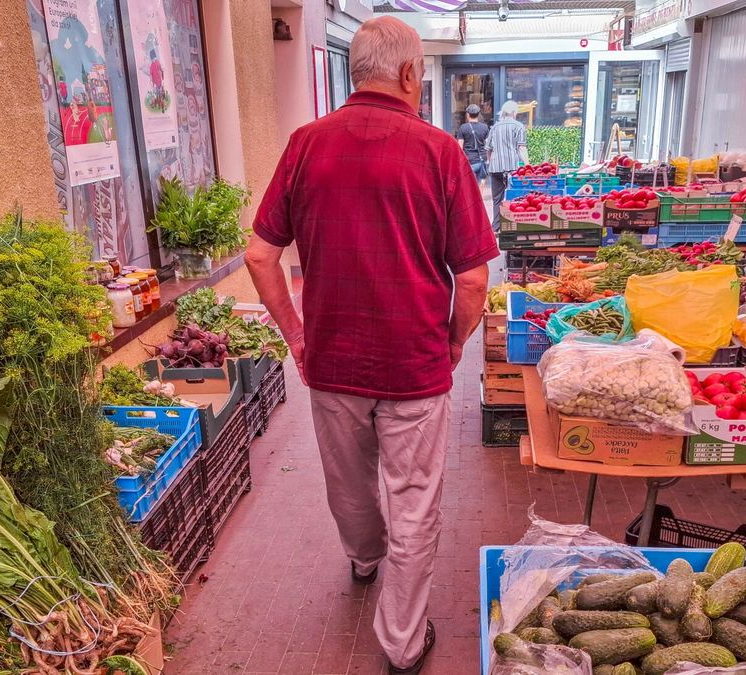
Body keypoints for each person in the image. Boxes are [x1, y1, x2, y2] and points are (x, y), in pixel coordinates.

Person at [244, 15, 498, 675]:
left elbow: (259, 255)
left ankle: (363, 557)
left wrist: (296, 335)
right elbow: (472, 278)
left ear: (354, 72)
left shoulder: (304, 146)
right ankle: (402, 643)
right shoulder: (439, 153)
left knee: (348, 481)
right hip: (413, 364)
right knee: (413, 499)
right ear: (412, 74)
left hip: (332, 361)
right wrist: (450, 344)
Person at [485, 100, 530, 231]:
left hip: (496, 167)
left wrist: (490, 163)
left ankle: (496, 227)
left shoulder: (494, 127)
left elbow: (488, 148)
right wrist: (528, 165)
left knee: (497, 199)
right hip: (512, 168)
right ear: (514, 112)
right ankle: (511, 226)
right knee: (514, 197)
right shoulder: (518, 126)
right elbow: (521, 148)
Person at [456, 104, 489, 187]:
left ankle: (471, 199)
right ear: (478, 114)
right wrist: (488, 159)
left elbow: (460, 147)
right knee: (482, 180)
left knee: (469, 183)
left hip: (469, 160)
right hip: (482, 159)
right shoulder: (485, 127)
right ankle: (480, 198)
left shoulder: (463, 128)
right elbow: (488, 145)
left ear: (468, 114)